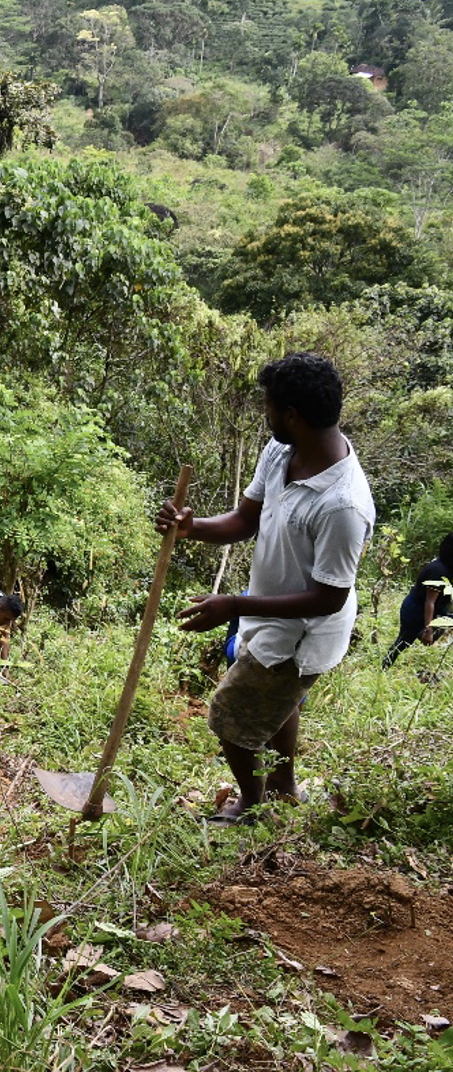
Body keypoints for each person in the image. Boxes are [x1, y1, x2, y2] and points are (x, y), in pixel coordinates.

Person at [157, 353, 375, 825]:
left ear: (292, 415)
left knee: (229, 714)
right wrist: (192, 528)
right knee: (277, 703)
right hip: (268, 610)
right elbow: (245, 519)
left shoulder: (343, 505)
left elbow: (330, 597)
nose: (265, 414)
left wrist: (234, 605)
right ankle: (284, 787)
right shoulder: (281, 451)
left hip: (304, 632)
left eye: (269, 406)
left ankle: (251, 805)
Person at [381, 532, 453, 668]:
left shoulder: (447, 566)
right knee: (404, 642)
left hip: (434, 609)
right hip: (416, 610)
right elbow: (430, 602)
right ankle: (384, 667)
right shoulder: (438, 571)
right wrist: (428, 630)